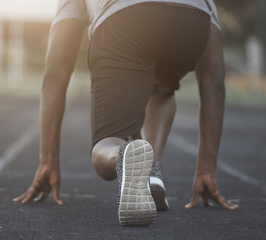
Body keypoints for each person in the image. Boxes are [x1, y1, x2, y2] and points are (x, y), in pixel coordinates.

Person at [13, 0, 238, 226]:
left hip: (126, 18)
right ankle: (151, 172)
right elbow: (214, 82)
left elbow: (56, 70)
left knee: (107, 143)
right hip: (191, 20)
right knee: (162, 88)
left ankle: (122, 155)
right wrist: (206, 168)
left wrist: (48, 160)